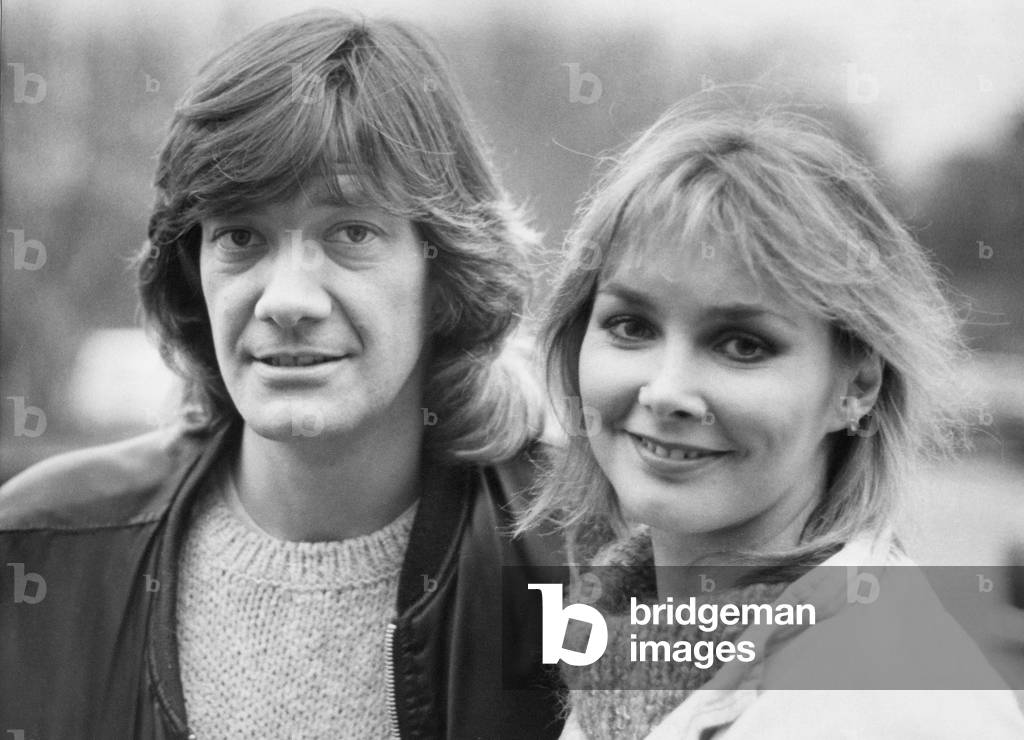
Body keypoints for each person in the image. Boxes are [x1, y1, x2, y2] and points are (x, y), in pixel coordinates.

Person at [0, 10, 565, 738]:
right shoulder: (37, 551)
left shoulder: (581, 566)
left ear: (445, 269)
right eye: (240, 235)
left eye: (351, 231)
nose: (288, 299)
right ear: (189, 275)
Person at [519, 95, 1024, 738]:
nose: (666, 390)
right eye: (631, 325)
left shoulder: (899, 704)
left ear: (858, 385)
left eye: (742, 344)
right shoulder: (619, 635)